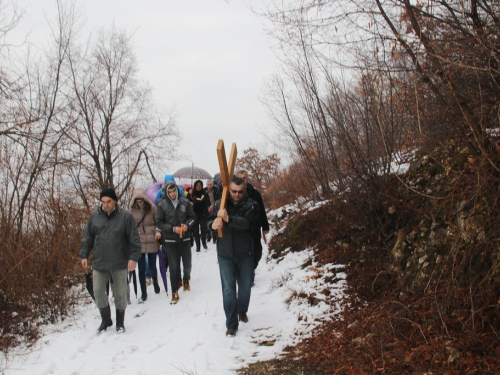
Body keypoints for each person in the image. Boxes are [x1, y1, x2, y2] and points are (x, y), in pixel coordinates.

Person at [80, 187, 141, 333]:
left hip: (119, 262)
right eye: (103, 202)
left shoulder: (125, 216)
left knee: (120, 294)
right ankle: (106, 320)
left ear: (115, 201)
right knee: (98, 291)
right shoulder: (94, 217)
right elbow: (88, 238)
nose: (106, 204)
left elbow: (134, 239)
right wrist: (84, 255)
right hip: (100, 262)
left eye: (109, 201)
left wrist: (133, 257)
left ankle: (120, 323)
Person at [208, 176, 260, 336]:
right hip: (225, 254)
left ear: (245, 191)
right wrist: (212, 225)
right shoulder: (220, 204)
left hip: (245, 253)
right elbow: (209, 222)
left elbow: (247, 224)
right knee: (229, 290)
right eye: (233, 191)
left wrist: (228, 219)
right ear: (228, 190)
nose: (237, 194)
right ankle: (231, 324)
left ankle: (242, 310)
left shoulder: (252, 205)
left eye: (240, 192)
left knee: (245, 288)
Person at [155, 183, 196, 304]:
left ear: (177, 191)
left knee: (187, 264)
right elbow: (159, 222)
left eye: (174, 191)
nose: (173, 194)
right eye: (170, 192)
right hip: (170, 240)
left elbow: (193, 217)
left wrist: (187, 225)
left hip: (185, 239)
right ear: (167, 193)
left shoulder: (185, 202)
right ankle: (174, 293)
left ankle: (186, 278)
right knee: (173, 267)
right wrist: (173, 229)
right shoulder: (162, 205)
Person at [129, 188, 162, 303]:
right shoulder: (131, 211)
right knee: (141, 268)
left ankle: (155, 282)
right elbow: (130, 227)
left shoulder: (152, 209)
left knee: (153, 265)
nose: (139, 202)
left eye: (141, 199)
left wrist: (158, 231)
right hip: (139, 242)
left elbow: (158, 222)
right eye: (137, 200)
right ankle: (143, 292)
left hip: (152, 239)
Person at [236, 170, 270, 274]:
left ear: (247, 179)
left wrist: (265, 227)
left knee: (257, 253)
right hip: (240, 230)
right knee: (243, 254)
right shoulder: (234, 194)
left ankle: (251, 269)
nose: (243, 180)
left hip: (254, 228)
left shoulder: (255, 194)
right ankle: (247, 274)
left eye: (244, 177)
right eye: (240, 178)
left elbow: (262, 210)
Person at [192, 179, 209, 251]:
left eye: (200, 185)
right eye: (197, 185)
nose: (198, 187)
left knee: (203, 229)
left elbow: (208, 203)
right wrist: (194, 200)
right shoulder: (192, 194)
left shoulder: (205, 193)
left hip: (203, 214)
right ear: (195, 186)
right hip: (195, 214)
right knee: (195, 231)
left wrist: (203, 201)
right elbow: (190, 203)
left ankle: (204, 244)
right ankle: (198, 246)